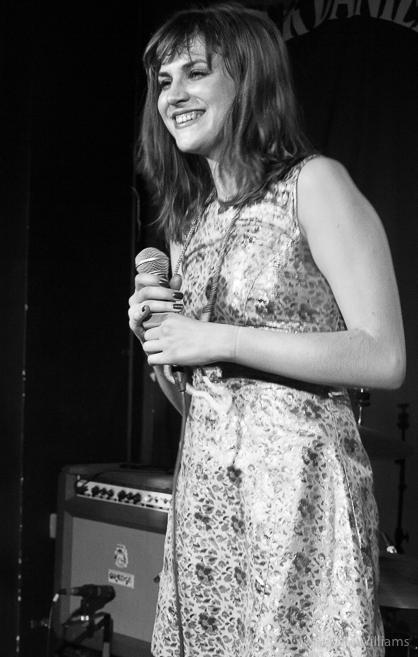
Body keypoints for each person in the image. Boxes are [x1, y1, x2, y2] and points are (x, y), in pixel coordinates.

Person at [127, 3, 405, 656]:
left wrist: (218, 338)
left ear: (248, 80)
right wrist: (163, 346)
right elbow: (199, 400)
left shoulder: (316, 184)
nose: (174, 95)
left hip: (301, 495)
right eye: (163, 80)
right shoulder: (188, 221)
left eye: (194, 73)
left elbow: (384, 355)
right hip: (208, 500)